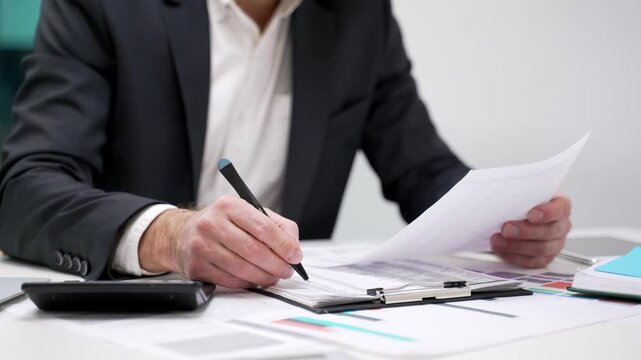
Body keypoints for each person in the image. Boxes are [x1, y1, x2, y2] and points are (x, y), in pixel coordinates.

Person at [0, 0, 571, 288]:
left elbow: (423, 170)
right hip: (121, 327)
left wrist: (505, 218)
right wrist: (167, 233)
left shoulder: (357, 16)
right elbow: (25, 187)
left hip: (289, 320)